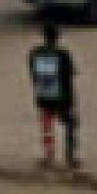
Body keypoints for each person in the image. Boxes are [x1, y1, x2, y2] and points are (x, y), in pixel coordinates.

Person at [27, 22, 80, 170]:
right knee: (70, 125)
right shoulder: (62, 54)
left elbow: (33, 74)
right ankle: (70, 157)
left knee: (47, 127)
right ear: (57, 36)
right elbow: (70, 74)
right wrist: (71, 99)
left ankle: (48, 156)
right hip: (62, 97)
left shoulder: (34, 53)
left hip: (43, 95)